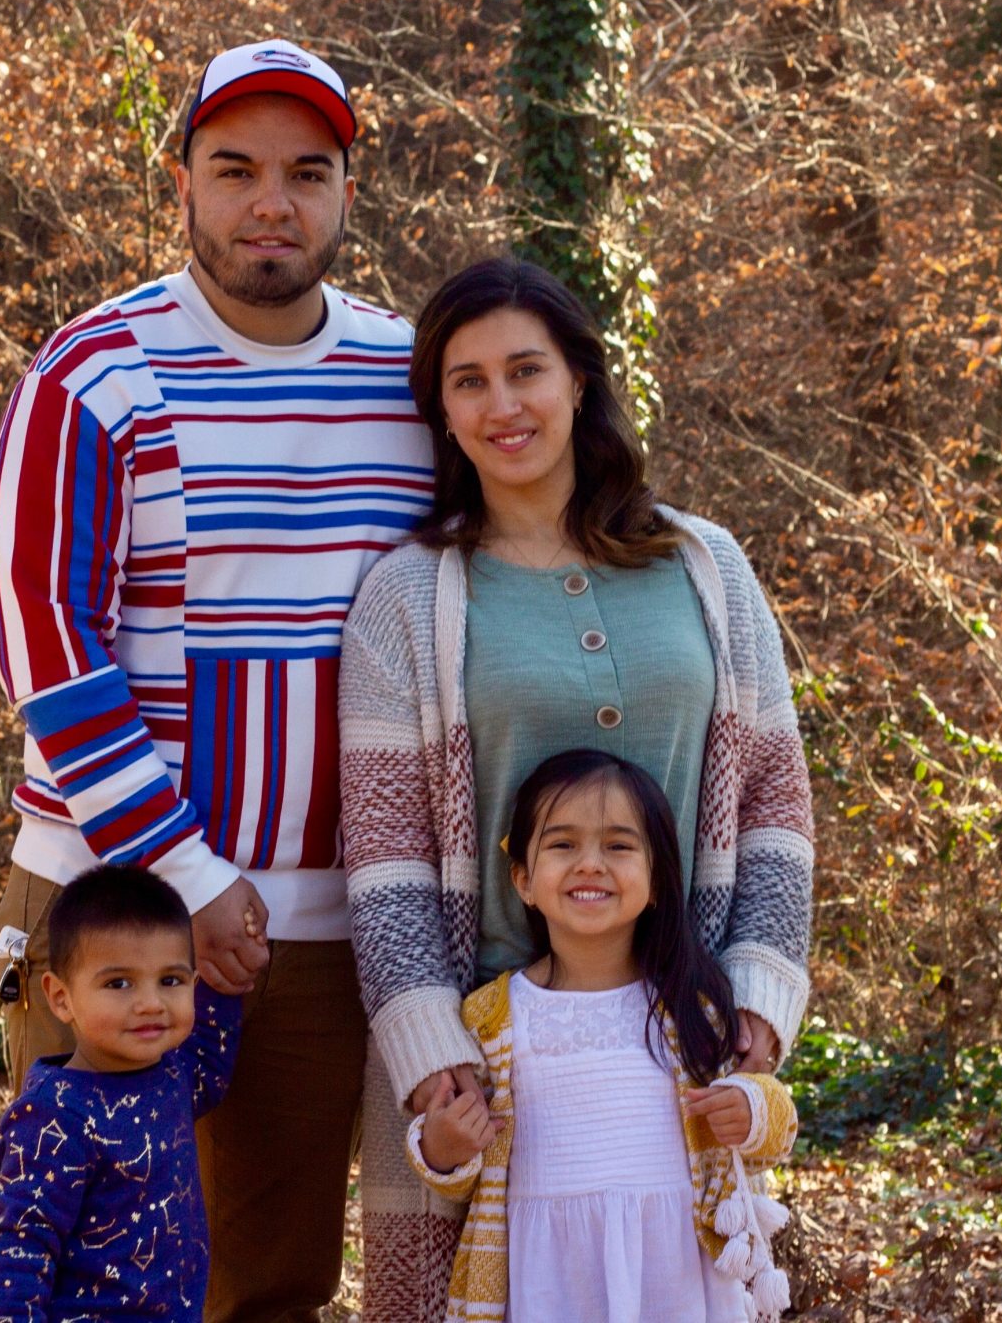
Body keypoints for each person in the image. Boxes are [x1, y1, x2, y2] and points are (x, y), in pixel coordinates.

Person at [0, 38, 434, 1322]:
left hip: (320, 924)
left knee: (271, 1285)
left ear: (347, 192)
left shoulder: (409, 379)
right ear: (181, 181)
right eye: (235, 169)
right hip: (114, 903)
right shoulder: (95, 374)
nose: (270, 203)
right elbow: (45, 640)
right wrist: (187, 872)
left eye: (307, 172)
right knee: (82, 1273)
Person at [339, 257, 815, 1321]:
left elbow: (775, 801)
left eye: (526, 370)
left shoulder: (706, 565)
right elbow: (384, 857)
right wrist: (429, 1050)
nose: (502, 405)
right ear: (440, 412)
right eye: (468, 382)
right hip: (484, 1063)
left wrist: (757, 993)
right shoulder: (404, 598)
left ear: (579, 381)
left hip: (678, 1038)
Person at [406, 749, 799, 1323]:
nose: (590, 864)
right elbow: (457, 1160)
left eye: (618, 846)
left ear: (657, 880)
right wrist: (442, 1149)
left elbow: (774, 1131)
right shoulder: (490, 1017)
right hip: (548, 1278)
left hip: (675, 1275)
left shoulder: (693, 1007)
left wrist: (752, 1110)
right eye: (563, 845)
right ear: (523, 881)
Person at [0, 864, 243, 1321]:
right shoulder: (52, 1117)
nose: (150, 1003)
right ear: (61, 997)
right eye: (118, 983)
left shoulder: (173, 1077)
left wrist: (231, 977)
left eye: (171, 980)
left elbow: (211, 1064)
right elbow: (21, 1251)